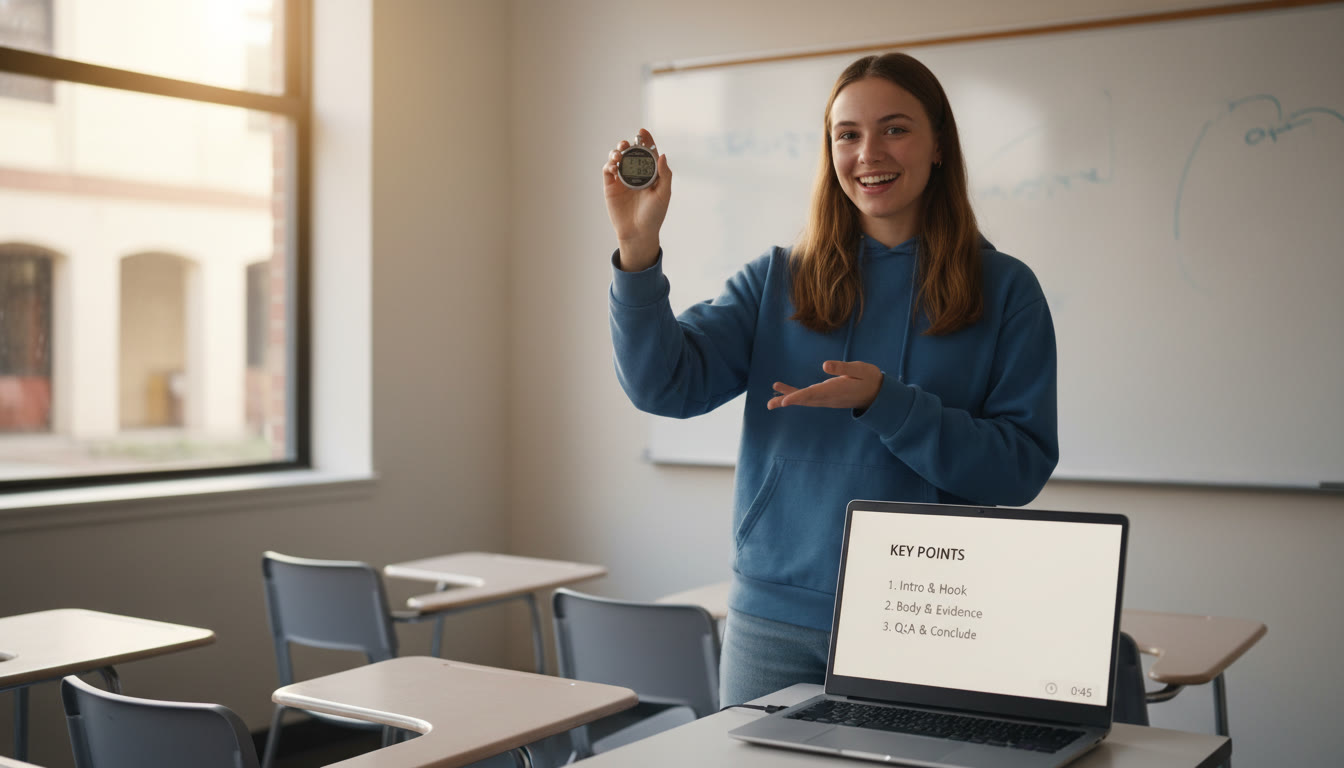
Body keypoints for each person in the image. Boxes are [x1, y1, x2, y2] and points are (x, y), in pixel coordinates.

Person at [602, 52, 1058, 707]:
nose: (868, 152)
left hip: (925, 623)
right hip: (772, 624)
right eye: (847, 134)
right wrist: (637, 250)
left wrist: (886, 403)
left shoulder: (1006, 291)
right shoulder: (777, 279)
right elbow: (664, 386)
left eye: (895, 128)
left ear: (938, 147)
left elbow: (1019, 472)